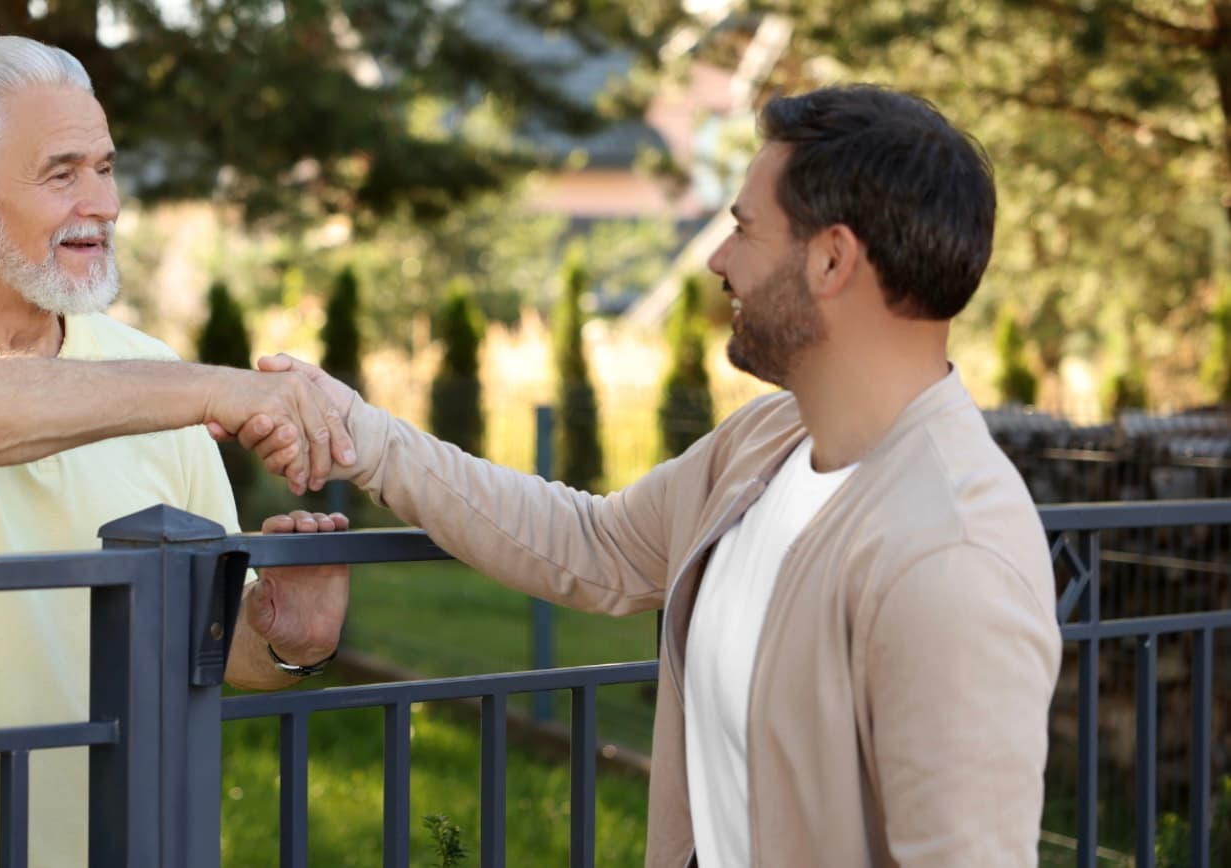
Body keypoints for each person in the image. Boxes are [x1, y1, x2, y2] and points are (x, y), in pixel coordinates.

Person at [239, 86, 1061, 866]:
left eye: (745, 227)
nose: (717, 258)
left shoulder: (951, 557)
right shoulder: (765, 444)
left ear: (832, 260)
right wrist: (365, 437)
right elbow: (591, 543)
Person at [0, 37, 354, 867]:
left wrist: (284, 640)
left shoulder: (161, 379)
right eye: (62, 173)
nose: (104, 202)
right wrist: (203, 391)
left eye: (105, 167)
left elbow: (206, 647)